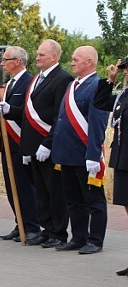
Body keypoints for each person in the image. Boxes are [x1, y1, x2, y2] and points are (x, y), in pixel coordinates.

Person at [51, 46, 109, 254]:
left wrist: (93, 155)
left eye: (76, 59)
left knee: (93, 200)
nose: (72, 62)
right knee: (73, 199)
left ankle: (95, 240)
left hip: (85, 154)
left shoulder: (98, 86)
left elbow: (97, 123)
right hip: (67, 153)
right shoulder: (72, 85)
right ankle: (78, 237)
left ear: (89, 63)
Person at [20, 39, 73, 248]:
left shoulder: (63, 78)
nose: (38, 57)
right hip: (33, 146)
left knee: (55, 192)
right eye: (38, 53)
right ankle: (46, 229)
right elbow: (27, 116)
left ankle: (58, 233)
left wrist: (48, 143)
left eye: (42, 54)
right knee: (40, 191)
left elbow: (61, 116)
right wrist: (25, 146)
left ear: (54, 57)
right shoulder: (36, 79)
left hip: (49, 146)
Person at [0, 46, 41, 244]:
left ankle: (31, 226)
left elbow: (29, 112)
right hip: (8, 144)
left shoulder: (29, 82)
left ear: (18, 61)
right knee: (12, 188)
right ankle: (19, 222)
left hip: (21, 142)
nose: (2, 64)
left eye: (6, 60)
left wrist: (10, 109)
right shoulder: (11, 83)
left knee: (25, 187)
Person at [95, 56, 128, 273]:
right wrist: (110, 80)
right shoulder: (124, 94)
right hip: (123, 158)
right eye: (125, 69)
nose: (126, 72)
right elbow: (101, 103)